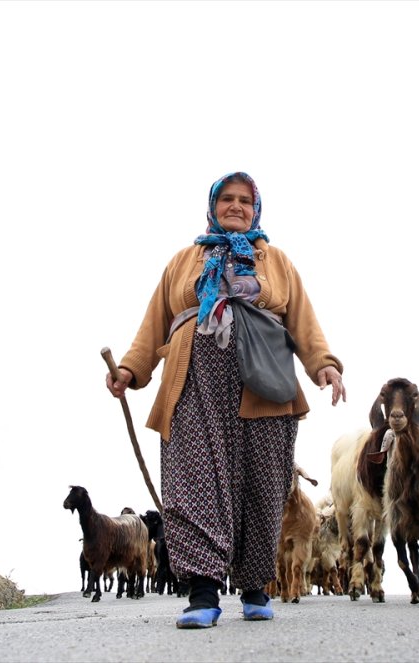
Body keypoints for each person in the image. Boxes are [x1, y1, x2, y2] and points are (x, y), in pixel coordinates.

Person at [105, 171, 346, 629]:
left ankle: (255, 587)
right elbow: (154, 323)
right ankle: (202, 593)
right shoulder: (183, 260)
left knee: (264, 484)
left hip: (266, 386)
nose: (236, 206)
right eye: (227, 200)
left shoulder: (274, 259)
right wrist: (130, 370)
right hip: (192, 385)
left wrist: (324, 365)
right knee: (192, 481)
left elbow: (304, 322)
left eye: (245, 201)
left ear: (256, 209)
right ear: (213, 206)